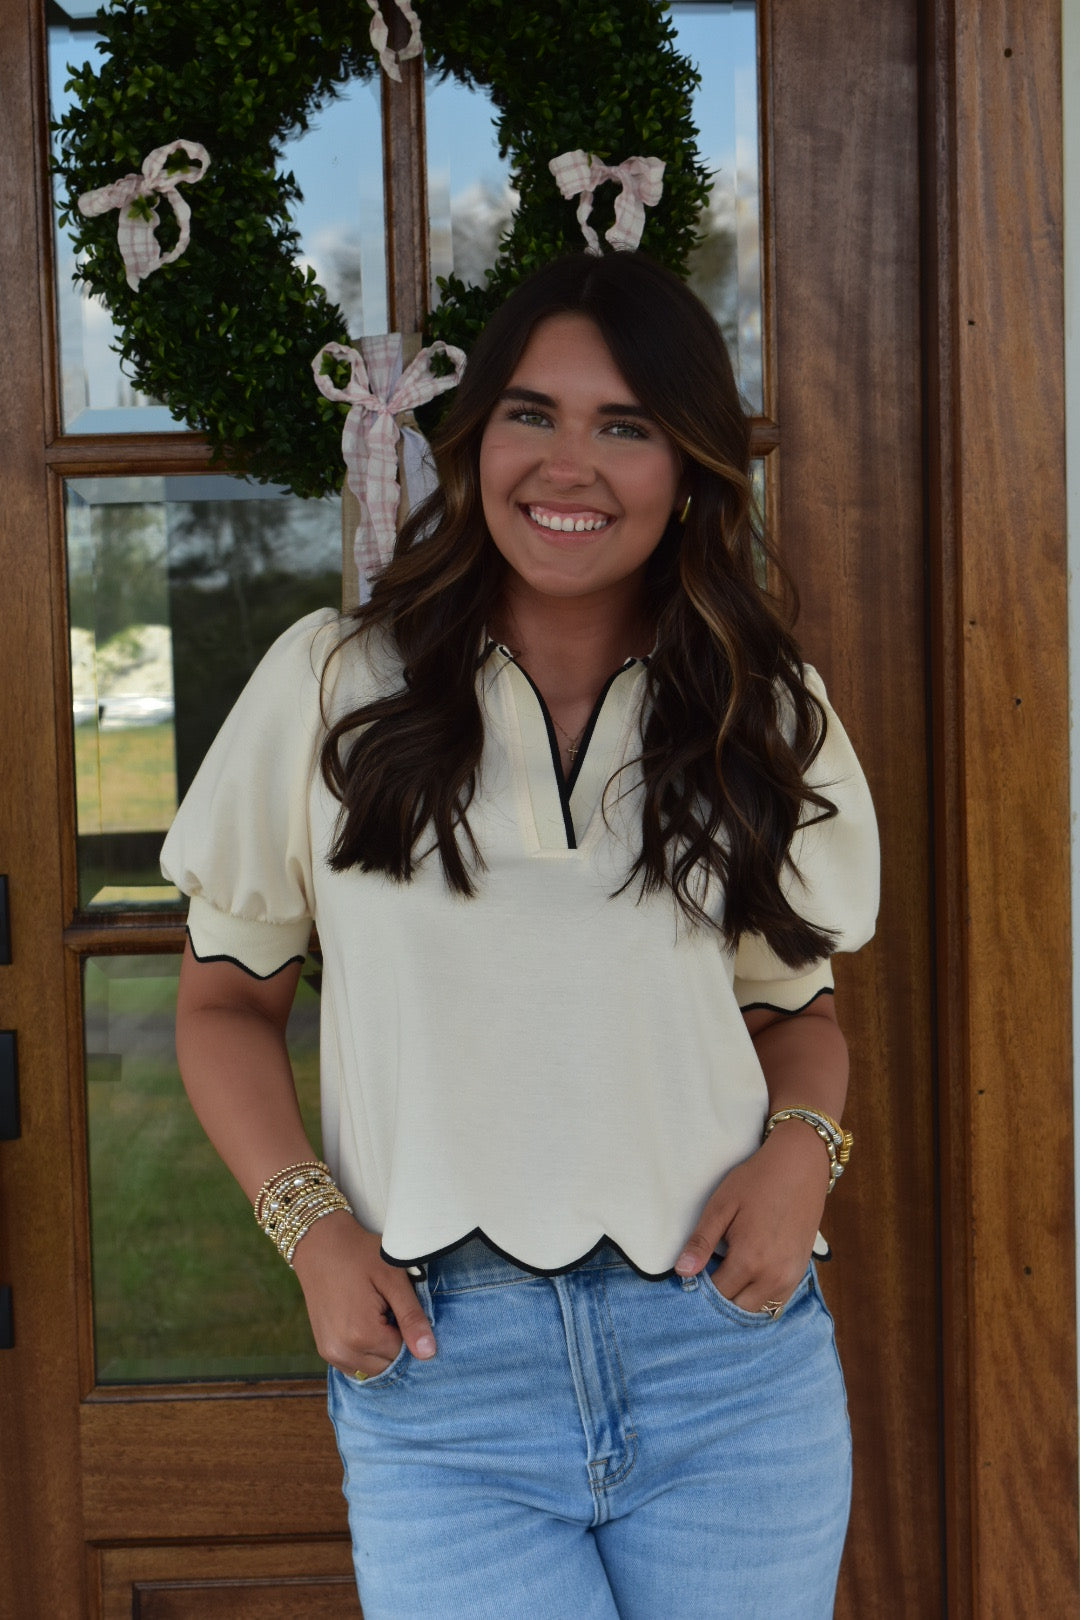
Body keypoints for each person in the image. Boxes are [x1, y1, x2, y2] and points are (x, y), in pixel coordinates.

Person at [163, 250, 879, 1619]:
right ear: (471, 438)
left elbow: (799, 1014)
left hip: (728, 1368)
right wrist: (312, 1234)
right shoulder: (330, 686)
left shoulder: (760, 712)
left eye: (627, 426)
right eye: (531, 415)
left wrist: (803, 1157)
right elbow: (222, 1007)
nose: (571, 465)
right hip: (443, 1381)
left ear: (688, 471)